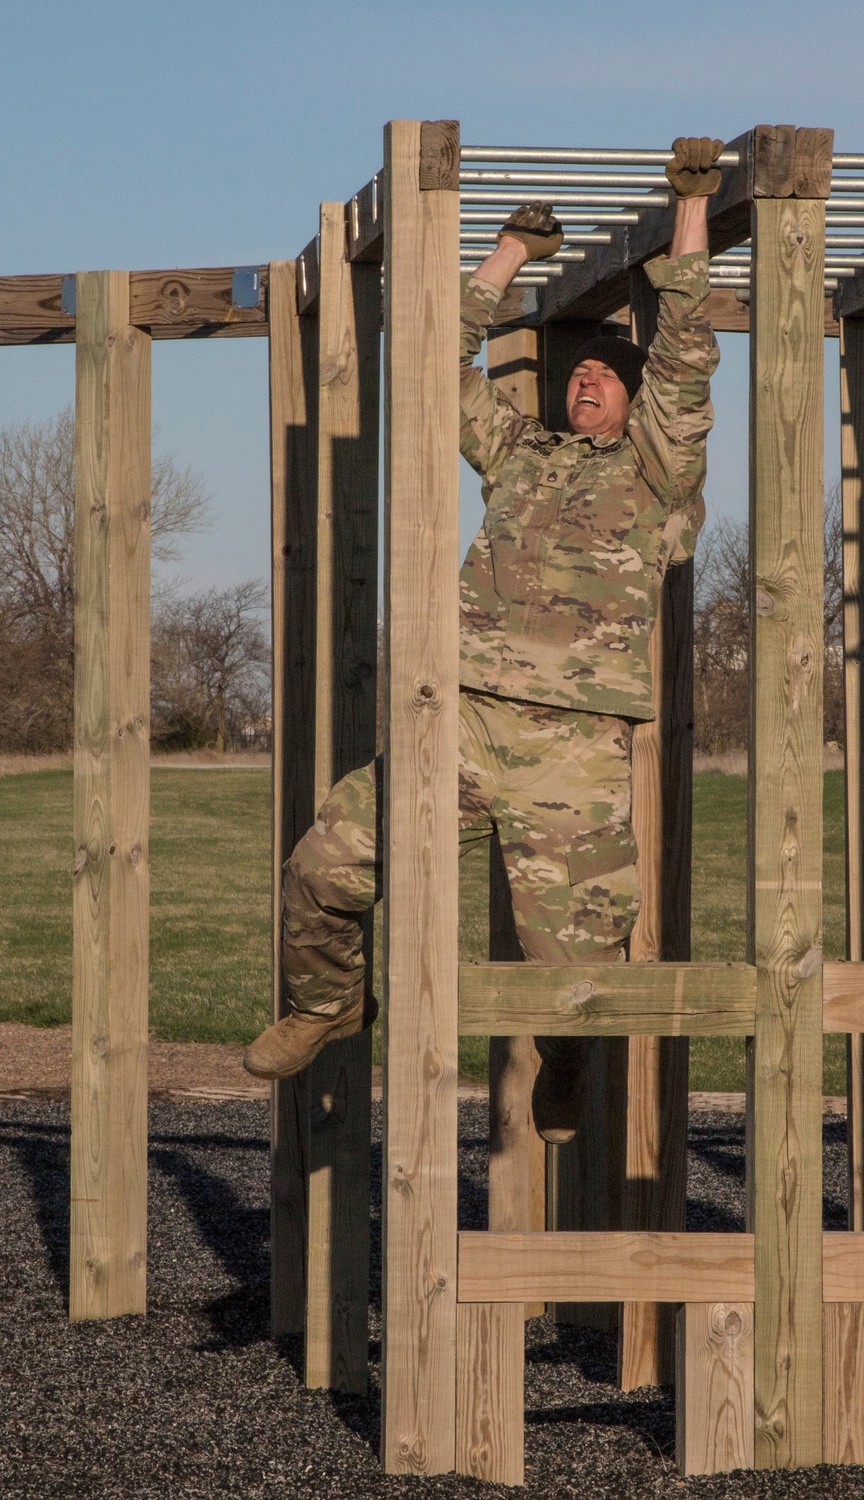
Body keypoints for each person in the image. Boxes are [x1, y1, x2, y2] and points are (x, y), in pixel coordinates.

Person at [245, 136, 723, 1144]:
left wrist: (691, 210)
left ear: (639, 409)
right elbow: (434, 367)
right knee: (322, 869)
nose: (585, 379)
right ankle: (331, 1004)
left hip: (570, 741)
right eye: (577, 370)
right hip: (456, 720)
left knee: (580, 971)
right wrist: (505, 254)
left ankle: (569, 1064)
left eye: (604, 375)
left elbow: (683, 355)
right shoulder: (520, 455)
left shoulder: (655, 479)